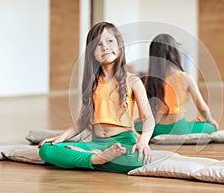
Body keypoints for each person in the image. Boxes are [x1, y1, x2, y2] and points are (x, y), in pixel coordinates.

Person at [38, 22, 155, 173]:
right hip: (95, 144)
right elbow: (82, 120)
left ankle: (91, 158)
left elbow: (148, 117)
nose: (105, 47)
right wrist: (62, 137)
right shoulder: (91, 83)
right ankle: (99, 158)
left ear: (120, 45)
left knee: (138, 159)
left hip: (122, 143)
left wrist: (143, 142)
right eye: (98, 44)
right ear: (91, 52)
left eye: (110, 41)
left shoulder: (132, 81)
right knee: (46, 150)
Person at [135, 33, 218, 137]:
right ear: (175, 53)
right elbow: (203, 108)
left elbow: (145, 111)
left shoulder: (148, 80)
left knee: (136, 126)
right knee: (210, 127)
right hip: (179, 128)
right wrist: (211, 121)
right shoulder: (185, 78)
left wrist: (138, 122)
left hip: (155, 129)